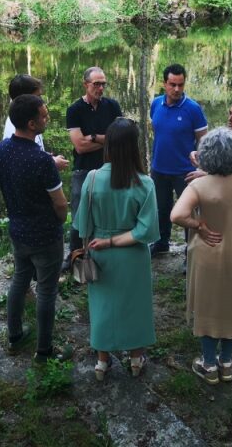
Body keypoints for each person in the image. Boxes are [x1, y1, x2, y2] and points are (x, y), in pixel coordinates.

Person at [170, 127, 232, 385]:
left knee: (207, 308)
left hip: (207, 255)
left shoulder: (199, 185)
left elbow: (176, 216)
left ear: (206, 156)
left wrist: (199, 226)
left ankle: (208, 365)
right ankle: (227, 364)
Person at [74, 118, 160, 380]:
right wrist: (116, 240)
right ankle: (135, 359)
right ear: (134, 147)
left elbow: (82, 225)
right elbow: (146, 232)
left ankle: (102, 362)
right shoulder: (144, 183)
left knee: (102, 306)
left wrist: (104, 240)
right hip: (132, 256)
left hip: (99, 252)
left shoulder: (92, 177)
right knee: (135, 305)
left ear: (108, 145)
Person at [0, 94, 73, 364]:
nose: (47, 118)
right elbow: (60, 203)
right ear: (31, 123)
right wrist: (60, 219)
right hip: (45, 236)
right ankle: (44, 350)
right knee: (47, 291)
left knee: (19, 279)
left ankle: (15, 335)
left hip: (18, 230)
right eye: (43, 115)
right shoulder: (42, 161)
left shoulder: (2, 149)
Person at [63, 67, 123, 272]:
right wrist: (108, 139)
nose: (101, 88)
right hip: (83, 169)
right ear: (85, 84)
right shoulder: (74, 110)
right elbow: (79, 146)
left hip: (110, 167)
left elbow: (121, 138)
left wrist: (94, 137)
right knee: (80, 213)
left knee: (110, 210)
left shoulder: (112, 106)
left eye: (103, 83)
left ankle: (105, 250)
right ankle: (74, 254)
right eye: (96, 84)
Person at [149, 64, 208, 257]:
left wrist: (204, 169)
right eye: (172, 84)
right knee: (161, 208)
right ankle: (161, 242)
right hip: (159, 169)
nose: (176, 89)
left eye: (180, 85)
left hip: (186, 172)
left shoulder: (193, 109)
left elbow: (204, 142)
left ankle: (190, 250)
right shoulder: (156, 104)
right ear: (164, 83)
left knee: (188, 214)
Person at [3, 74, 68, 172]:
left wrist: (47, 157)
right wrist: (52, 164)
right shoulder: (15, 128)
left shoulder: (30, 119)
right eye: (38, 96)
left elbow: (32, 154)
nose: (41, 100)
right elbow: (21, 165)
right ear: (24, 99)